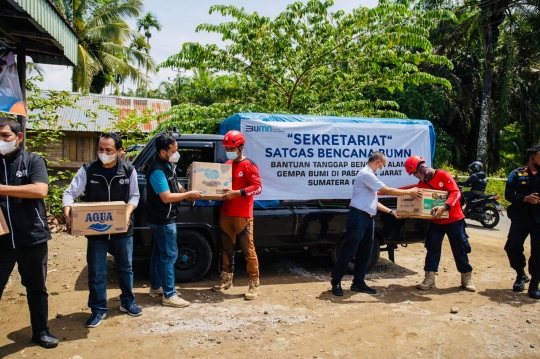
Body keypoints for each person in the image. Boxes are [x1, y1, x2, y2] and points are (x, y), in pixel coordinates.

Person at [63, 133, 141, 328]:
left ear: (119, 152)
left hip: (122, 229)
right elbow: (70, 193)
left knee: (126, 268)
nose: (103, 153)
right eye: (100, 149)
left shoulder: (128, 171)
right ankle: (98, 309)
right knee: (97, 271)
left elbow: (134, 196)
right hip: (96, 230)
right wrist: (68, 212)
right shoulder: (88, 170)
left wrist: (127, 213)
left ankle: (127, 302)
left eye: (108, 150)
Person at [0, 117, 58, 348]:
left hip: (32, 236)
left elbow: (39, 189)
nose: (1, 141)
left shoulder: (32, 161)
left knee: (36, 287)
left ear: (19, 137)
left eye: (5, 136)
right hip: (2, 240)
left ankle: (41, 331)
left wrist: (2, 189)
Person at [330, 152, 423, 296]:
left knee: (365, 252)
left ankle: (358, 283)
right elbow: (387, 190)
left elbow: (374, 201)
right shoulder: (366, 174)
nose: (382, 168)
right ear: (378, 162)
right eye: (383, 165)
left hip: (368, 218)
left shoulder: (371, 177)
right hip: (358, 217)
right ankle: (336, 281)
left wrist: (391, 212)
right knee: (349, 250)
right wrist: (409, 192)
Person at [404, 155, 476, 292]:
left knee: (459, 248)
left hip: (454, 219)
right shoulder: (422, 184)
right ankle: (429, 278)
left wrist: (445, 206)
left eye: (415, 172)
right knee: (432, 248)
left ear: (421, 168)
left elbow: (455, 193)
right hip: (435, 222)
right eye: (413, 174)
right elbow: (420, 203)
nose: (415, 176)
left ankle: (466, 277)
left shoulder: (443, 175)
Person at [146, 134, 202, 307]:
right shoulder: (157, 169)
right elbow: (166, 197)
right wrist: (189, 194)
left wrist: (185, 191)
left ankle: (156, 287)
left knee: (158, 254)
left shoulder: (167, 165)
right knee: (169, 255)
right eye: (174, 150)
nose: (176, 153)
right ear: (163, 152)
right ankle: (169, 295)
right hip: (163, 219)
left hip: (162, 218)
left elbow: (174, 184)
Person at [212, 130, 262, 300]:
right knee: (226, 248)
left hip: (243, 215)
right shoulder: (226, 164)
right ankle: (227, 279)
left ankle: (254, 284)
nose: (229, 150)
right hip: (226, 213)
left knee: (248, 250)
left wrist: (237, 193)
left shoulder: (249, 165)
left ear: (241, 147)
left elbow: (258, 187)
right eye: (227, 148)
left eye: (232, 148)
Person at [504, 145, 540, 298]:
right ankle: (521, 274)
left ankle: (534, 285)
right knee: (512, 247)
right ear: (531, 159)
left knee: (538, 253)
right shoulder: (517, 174)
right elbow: (508, 194)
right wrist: (524, 198)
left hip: (539, 219)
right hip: (521, 218)